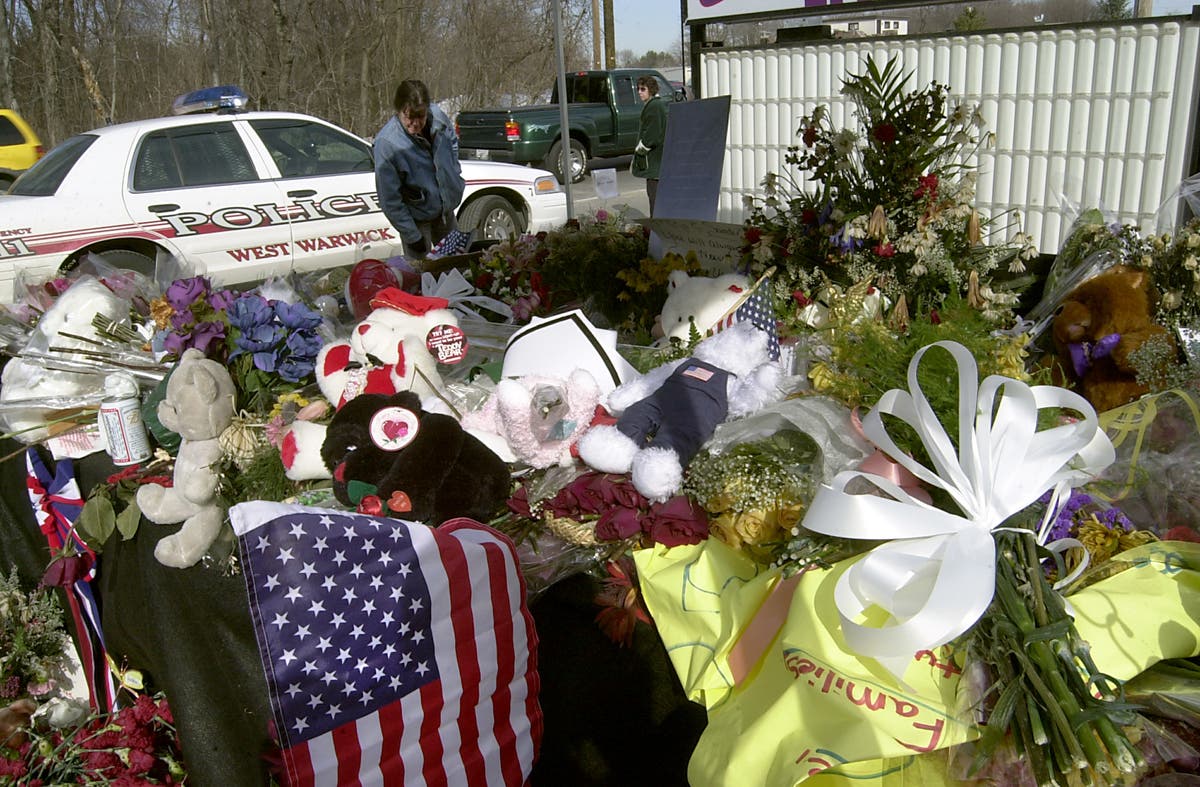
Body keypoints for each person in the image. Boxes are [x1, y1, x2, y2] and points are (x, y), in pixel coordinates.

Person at [374, 78, 466, 258]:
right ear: (399, 110)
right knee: (422, 277)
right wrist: (411, 235)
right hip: (416, 221)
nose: (415, 123)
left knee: (458, 266)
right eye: (409, 117)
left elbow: (453, 143)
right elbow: (389, 199)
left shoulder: (438, 118)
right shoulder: (387, 144)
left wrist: (453, 172)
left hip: (445, 212)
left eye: (421, 116)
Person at [631, 75, 669, 215]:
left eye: (643, 89)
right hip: (655, 162)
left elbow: (652, 136)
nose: (640, 92)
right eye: (638, 89)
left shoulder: (654, 106)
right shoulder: (654, 105)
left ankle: (655, 233)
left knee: (654, 198)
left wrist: (640, 149)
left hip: (654, 162)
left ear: (651, 90)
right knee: (654, 197)